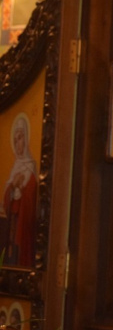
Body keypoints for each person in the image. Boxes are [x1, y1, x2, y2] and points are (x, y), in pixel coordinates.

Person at [3, 113, 38, 267]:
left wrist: (22, 188)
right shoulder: (14, 168)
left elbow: (33, 196)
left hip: (23, 226)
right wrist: (12, 187)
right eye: (15, 140)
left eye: (21, 138)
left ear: (27, 140)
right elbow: (5, 197)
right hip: (11, 224)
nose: (18, 144)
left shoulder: (31, 166)